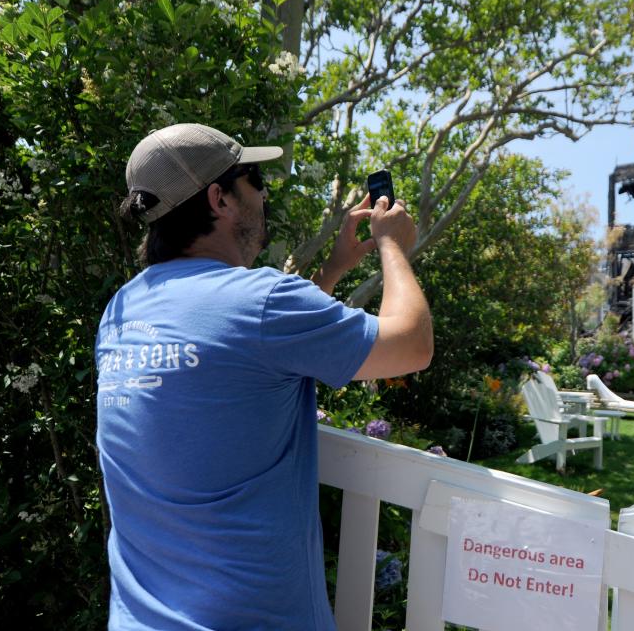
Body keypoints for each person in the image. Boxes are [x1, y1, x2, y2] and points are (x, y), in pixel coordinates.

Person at [95, 123, 432, 629]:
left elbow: (244, 345)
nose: (264, 193)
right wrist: (393, 248)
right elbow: (410, 345)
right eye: (254, 179)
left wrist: (333, 270)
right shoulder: (263, 302)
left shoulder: (122, 311)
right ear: (220, 199)